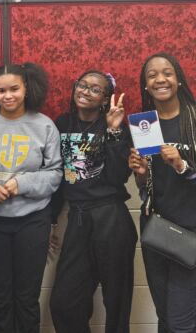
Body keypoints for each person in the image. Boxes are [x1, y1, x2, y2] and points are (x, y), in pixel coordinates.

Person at [0, 62, 62, 333]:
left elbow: (55, 173)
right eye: (1, 91)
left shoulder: (44, 125)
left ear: (27, 88)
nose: (7, 96)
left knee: (27, 299)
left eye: (14, 89)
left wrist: (20, 184)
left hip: (33, 220)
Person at [50, 70, 137, 333]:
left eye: (95, 89)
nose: (86, 91)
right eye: (82, 85)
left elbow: (118, 177)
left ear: (105, 99)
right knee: (64, 303)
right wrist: (51, 220)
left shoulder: (116, 127)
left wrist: (113, 131)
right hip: (77, 219)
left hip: (110, 217)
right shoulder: (62, 124)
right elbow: (56, 176)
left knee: (117, 301)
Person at [129, 53, 196, 333]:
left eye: (167, 73)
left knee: (180, 322)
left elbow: (183, 172)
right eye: (152, 75)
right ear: (146, 85)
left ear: (178, 79)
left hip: (191, 231)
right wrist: (141, 172)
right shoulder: (144, 125)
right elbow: (145, 188)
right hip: (157, 230)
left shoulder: (193, 119)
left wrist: (182, 166)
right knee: (165, 316)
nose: (160, 79)